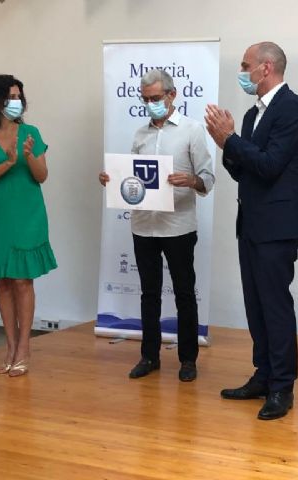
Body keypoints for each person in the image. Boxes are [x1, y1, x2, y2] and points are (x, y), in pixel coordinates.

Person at [205, 42, 298, 420]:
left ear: (266, 68)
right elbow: (241, 171)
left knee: (275, 306)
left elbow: (269, 166)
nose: (242, 72)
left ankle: (282, 387)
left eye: (245, 65)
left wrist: (231, 140)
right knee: (255, 304)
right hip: (250, 222)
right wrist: (227, 144)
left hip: (277, 226)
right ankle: (263, 375)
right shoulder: (252, 115)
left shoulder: (291, 108)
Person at [99, 69, 214, 382]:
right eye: (146, 99)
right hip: (143, 225)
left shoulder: (192, 130)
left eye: (156, 98)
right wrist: (112, 179)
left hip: (178, 226)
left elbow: (208, 178)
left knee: (184, 293)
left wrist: (191, 180)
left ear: (172, 95)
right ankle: (149, 356)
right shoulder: (140, 134)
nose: (151, 104)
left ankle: (188, 360)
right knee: (149, 294)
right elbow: (132, 179)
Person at [0, 74, 57, 377]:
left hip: (27, 214)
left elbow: (42, 176)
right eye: (10, 97)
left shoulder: (31, 132)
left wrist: (29, 156)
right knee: (3, 280)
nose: (16, 102)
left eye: (18, 97)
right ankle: (10, 345)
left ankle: (24, 348)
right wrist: (7, 162)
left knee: (21, 280)